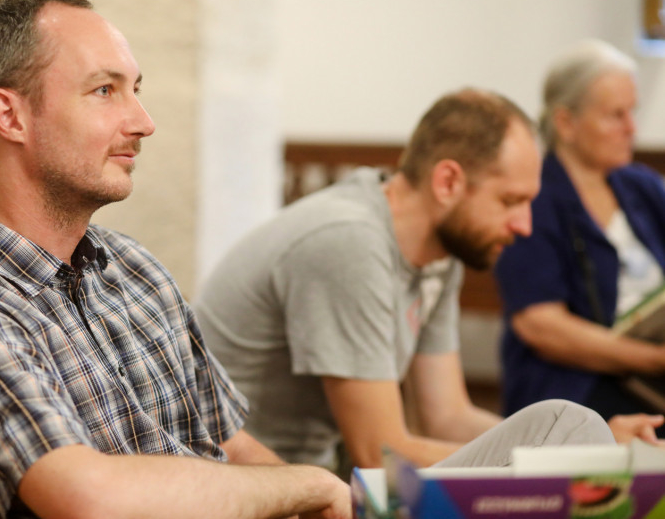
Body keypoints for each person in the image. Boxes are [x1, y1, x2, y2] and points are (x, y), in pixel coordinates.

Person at [0, 0, 351, 519]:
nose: (143, 122)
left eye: (135, 89)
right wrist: (312, 484)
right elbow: (86, 498)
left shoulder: (133, 266)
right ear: (10, 117)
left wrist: (315, 500)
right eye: (105, 90)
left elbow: (230, 444)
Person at [193, 88, 662, 474]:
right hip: (242, 482)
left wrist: (583, 442)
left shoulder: (440, 251)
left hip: (307, 477)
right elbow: (380, 454)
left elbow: (446, 417)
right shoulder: (349, 243)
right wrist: (572, 459)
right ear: (448, 182)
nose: (525, 226)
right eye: (510, 201)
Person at [494, 39, 665, 432]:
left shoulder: (642, 187)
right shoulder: (533, 197)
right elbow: (541, 326)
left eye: (632, 112)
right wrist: (653, 360)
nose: (631, 128)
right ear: (566, 123)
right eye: (615, 115)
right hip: (573, 386)